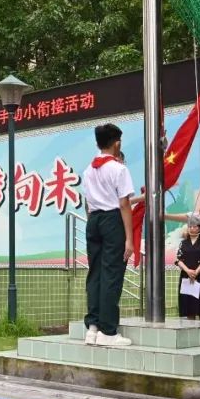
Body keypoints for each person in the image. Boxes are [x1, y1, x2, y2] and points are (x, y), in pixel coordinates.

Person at [82, 123, 135, 347]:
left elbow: (87, 203)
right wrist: (130, 239)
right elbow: (124, 204)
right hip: (112, 219)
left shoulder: (88, 169)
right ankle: (108, 331)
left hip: (93, 220)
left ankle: (92, 327)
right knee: (112, 274)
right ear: (117, 143)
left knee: (95, 273)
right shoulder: (118, 169)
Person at [175, 214, 200, 320]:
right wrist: (188, 271)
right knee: (189, 306)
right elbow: (178, 259)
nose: (192, 229)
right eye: (190, 226)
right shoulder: (183, 243)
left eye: (195, 226)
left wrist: (196, 272)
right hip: (186, 276)